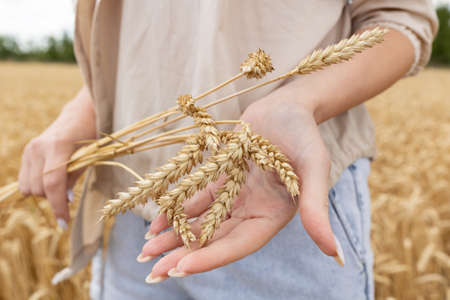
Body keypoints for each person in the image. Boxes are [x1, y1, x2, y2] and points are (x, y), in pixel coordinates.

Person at [18, 1, 437, 299]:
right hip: (133, 209)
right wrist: (86, 109)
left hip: (279, 209)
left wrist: (299, 101)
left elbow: (399, 18)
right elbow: (141, 38)